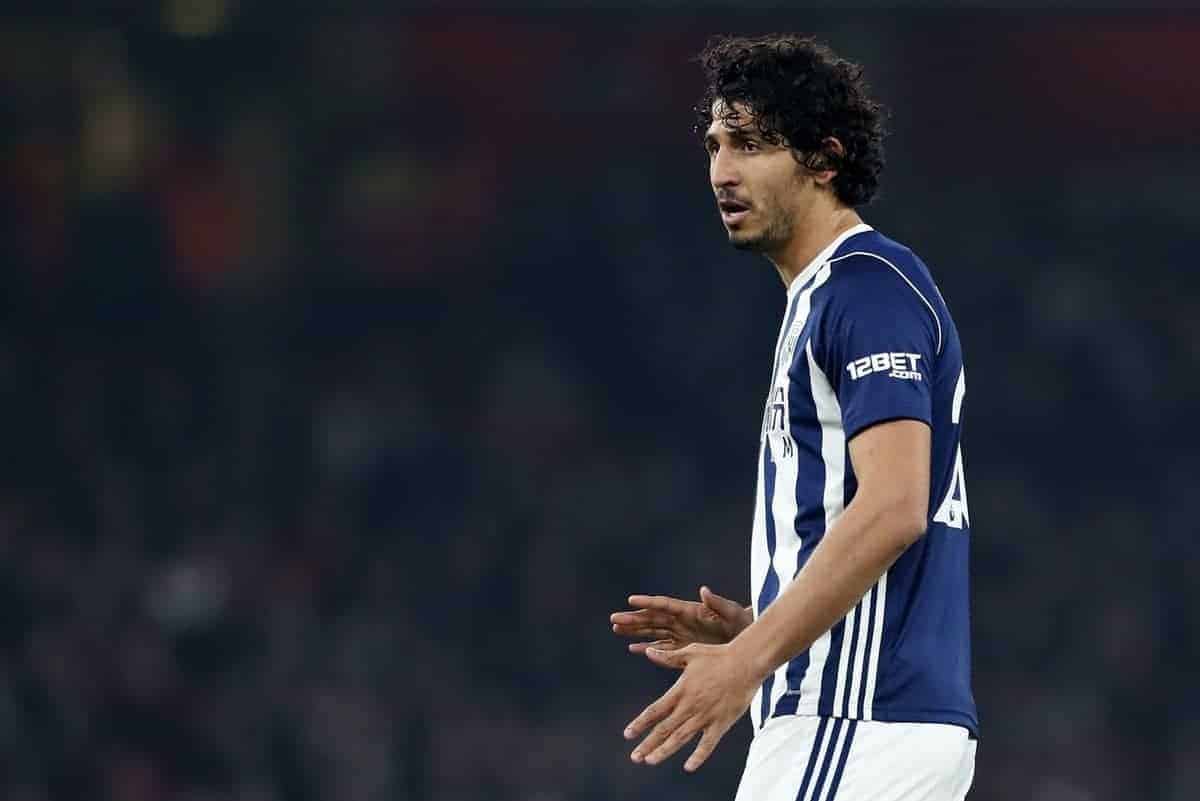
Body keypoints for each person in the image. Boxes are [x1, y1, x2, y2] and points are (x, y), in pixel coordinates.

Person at [609, 34, 977, 801]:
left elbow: (895, 505)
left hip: (854, 719)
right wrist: (763, 624)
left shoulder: (865, 289)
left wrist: (748, 662)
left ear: (824, 158)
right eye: (714, 143)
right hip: (862, 717)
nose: (721, 170)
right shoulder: (823, 298)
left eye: (749, 143)